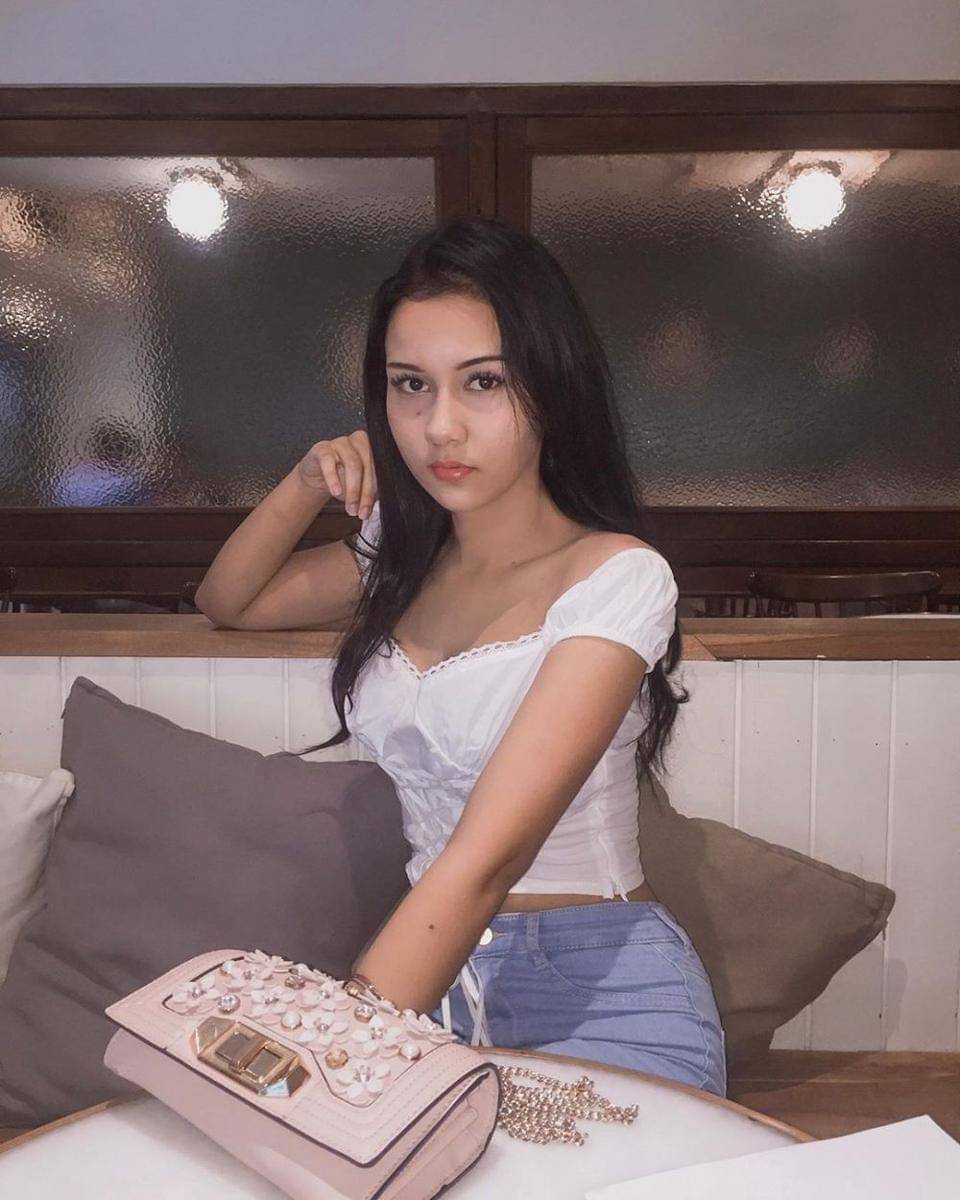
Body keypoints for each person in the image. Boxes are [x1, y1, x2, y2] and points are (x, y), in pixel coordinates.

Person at [194, 214, 726, 1097]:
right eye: (411, 385)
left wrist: (334, 1056)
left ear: (551, 386)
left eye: (484, 381)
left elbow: (486, 861)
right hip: (436, 981)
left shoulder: (617, 577)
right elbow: (229, 601)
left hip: (600, 990)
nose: (440, 427)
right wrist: (307, 480)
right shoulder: (398, 560)